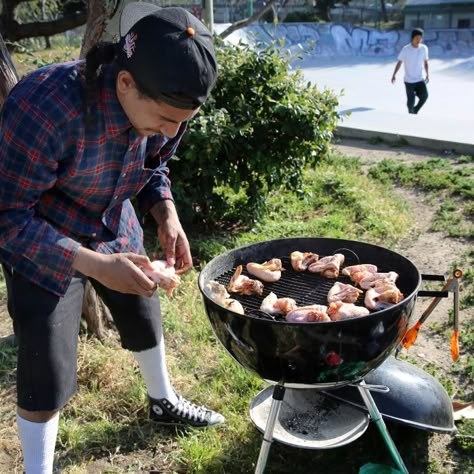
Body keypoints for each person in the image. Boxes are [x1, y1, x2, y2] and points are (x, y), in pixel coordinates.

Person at [0, 3, 223, 473]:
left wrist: (166, 212)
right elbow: (8, 218)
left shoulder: (166, 107)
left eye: (182, 122)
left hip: (111, 214)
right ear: (125, 83)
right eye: (164, 119)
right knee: (46, 364)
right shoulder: (45, 105)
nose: (171, 132)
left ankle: (163, 402)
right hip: (42, 232)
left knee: (143, 305)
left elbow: (155, 164)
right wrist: (95, 266)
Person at [391, 28, 429, 114]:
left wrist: (427, 74)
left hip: (420, 79)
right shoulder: (406, 49)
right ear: (412, 38)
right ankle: (411, 114)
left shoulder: (424, 48)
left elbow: (426, 62)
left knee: (424, 96)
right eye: (417, 38)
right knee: (411, 101)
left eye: (420, 38)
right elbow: (399, 62)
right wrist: (394, 74)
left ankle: (415, 110)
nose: (418, 40)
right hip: (409, 81)